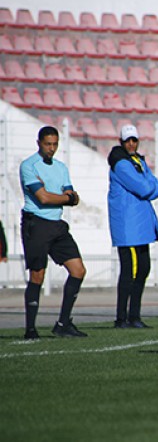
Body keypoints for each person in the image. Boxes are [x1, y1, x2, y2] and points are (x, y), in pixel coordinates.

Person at [19, 126, 88, 339]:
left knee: (78, 270)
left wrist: (66, 198)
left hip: (57, 225)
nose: (51, 148)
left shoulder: (60, 167)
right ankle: (31, 329)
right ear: (38, 143)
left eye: (55, 144)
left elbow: (70, 195)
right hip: (36, 224)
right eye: (48, 144)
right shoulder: (29, 166)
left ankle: (63, 323)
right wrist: (67, 199)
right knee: (37, 275)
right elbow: (44, 198)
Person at [108, 124, 158, 329]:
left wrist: (151, 185)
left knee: (142, 269)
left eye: (134, 140)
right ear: (121, 142)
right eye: (128, 140)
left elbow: (154, 186)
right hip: (129, 227)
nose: (131, 144)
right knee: (130, 272)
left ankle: (134, 316)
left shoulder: (138, 161)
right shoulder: (121, 164)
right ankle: (122, 318)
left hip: (140, 226)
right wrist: (151, 185)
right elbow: (146, 187)